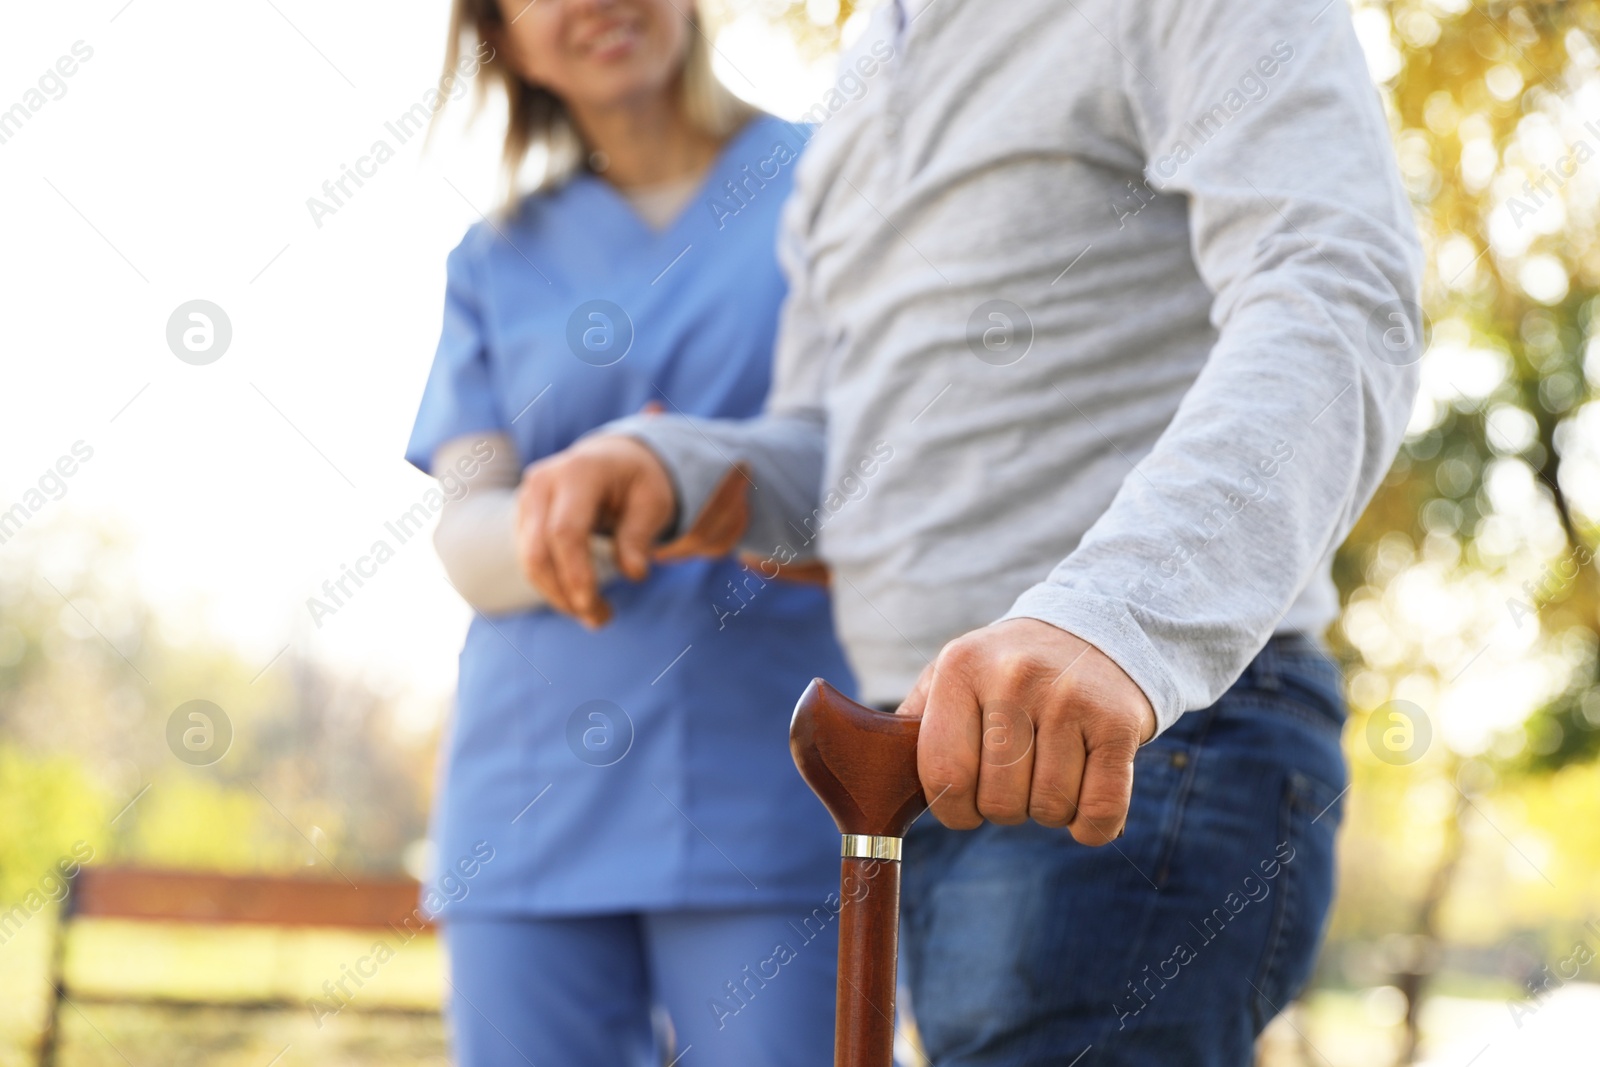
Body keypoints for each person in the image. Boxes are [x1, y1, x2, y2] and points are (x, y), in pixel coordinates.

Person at [511, 0, 1426, 1063]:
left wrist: (1113, 620)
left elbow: (1334, 285)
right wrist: (674, 468)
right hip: (925, 769)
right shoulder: (859, 87)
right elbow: (835, 454)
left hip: (1148, 742)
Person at [404, 2, 855, 1064]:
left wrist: (691, 480)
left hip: (780, 780)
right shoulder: (493, 257)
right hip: (526, 800)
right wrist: (615, 512)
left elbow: (900, 459)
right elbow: (466, 529)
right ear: (500, 37)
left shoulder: (836, 183)